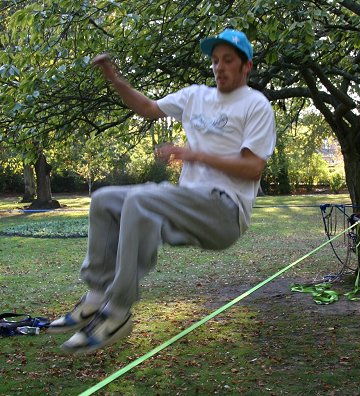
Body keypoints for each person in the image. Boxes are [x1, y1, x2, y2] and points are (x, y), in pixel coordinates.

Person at [47, 28, 276, 355]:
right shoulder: (195, 96)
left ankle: (118, 311)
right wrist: (115, 78)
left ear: (246, 66)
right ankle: (96, 297)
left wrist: (195, 154)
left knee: (141, 201)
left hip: (224, 213)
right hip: (187, 204)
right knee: (104, 200)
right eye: (214, 60)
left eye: (228, 60)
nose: (219, 67)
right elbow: (148, 108)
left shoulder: (256, 105)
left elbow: (253, 168)